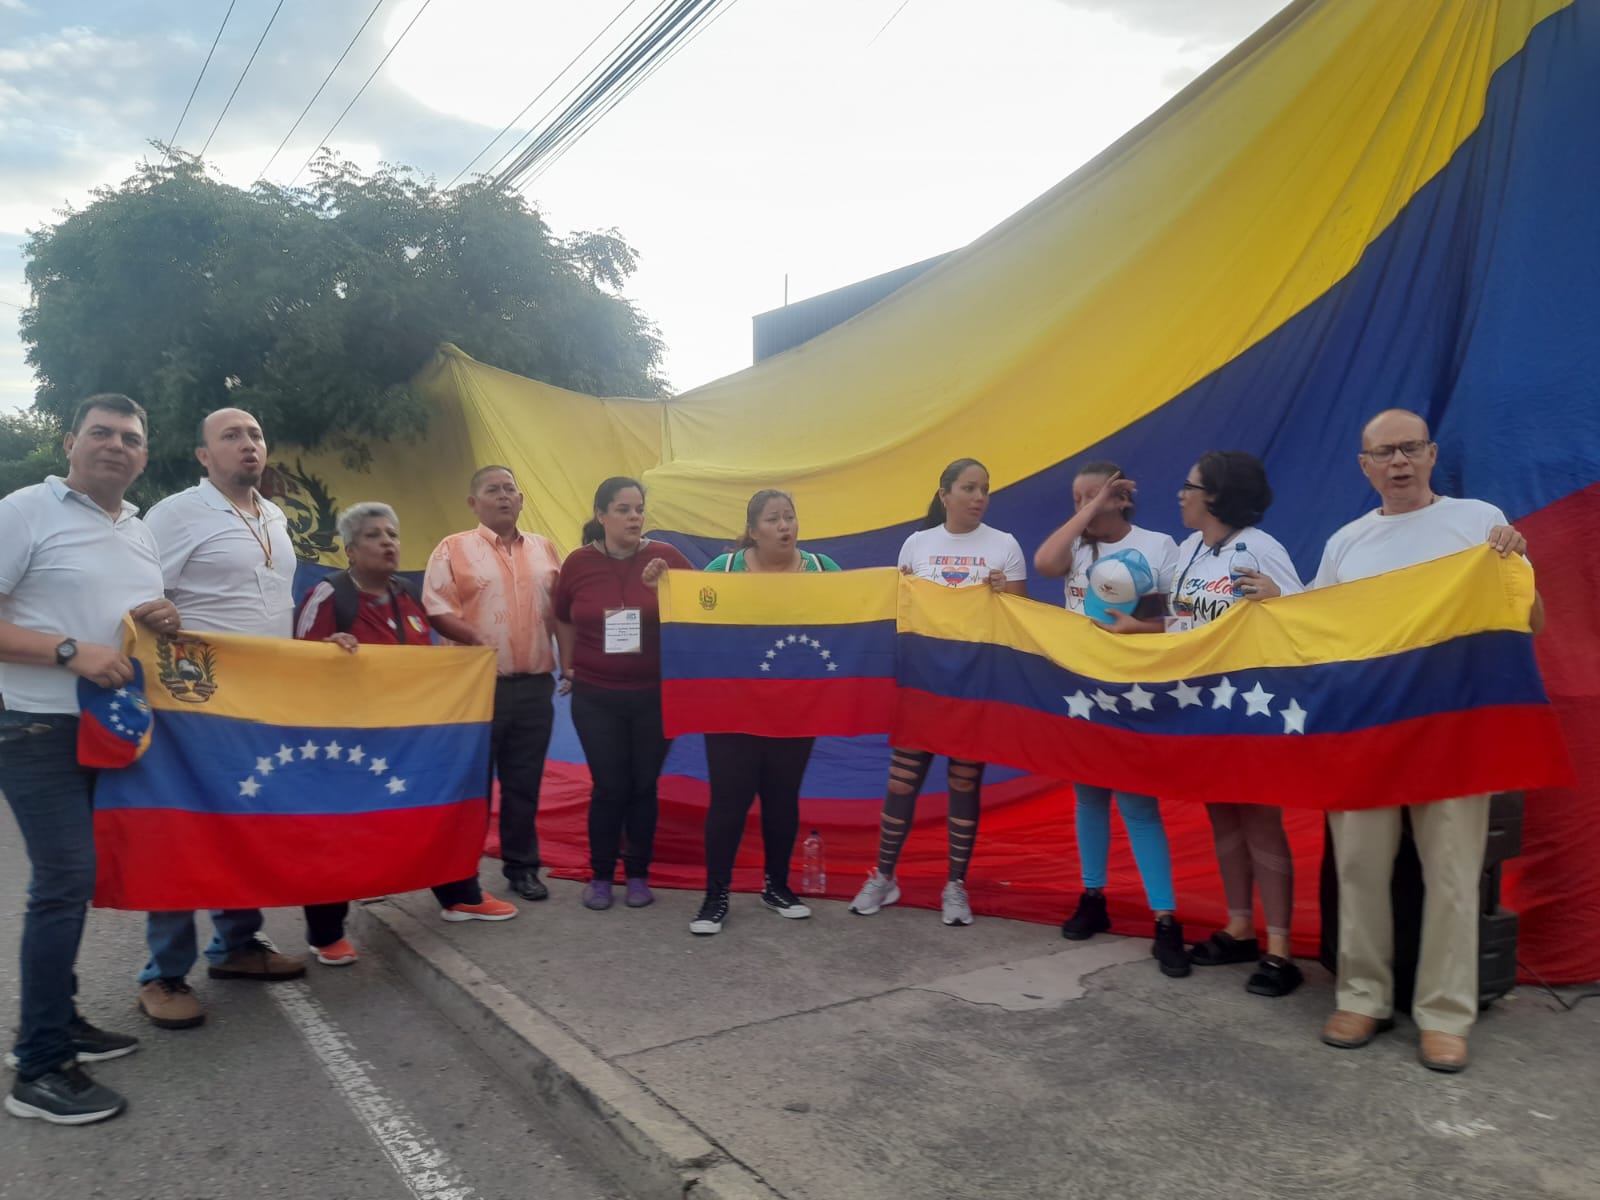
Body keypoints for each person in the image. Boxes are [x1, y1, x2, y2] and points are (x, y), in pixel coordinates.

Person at [1314, 409, 1540, 1073]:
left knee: (1451, 873)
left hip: (1454, 729)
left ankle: (1445, 1015)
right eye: (1383, 453)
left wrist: (1519, 566)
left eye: (1410, 448)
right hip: (1369, 729)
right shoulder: (1346, 543)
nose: (1398, 462)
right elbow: (1320, 636)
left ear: (1432, 453)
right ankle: (1362, 996)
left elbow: (1531, 621)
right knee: (1358, 866)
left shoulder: (1481, 523)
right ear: (1364, 465)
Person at [0, 394, 178, 1125]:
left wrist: (156, 618)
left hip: (107, 731)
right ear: (70, 443)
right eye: (100, 433)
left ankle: (60, 1022)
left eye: (130, 438)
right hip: (35, 727)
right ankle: (38, 1067)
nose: (115, 445)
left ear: (142, 455)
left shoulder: (138, 530)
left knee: (78, 878)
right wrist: (70, 652)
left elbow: (125, 623)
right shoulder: (24, 510)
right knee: (64, 881)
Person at [136, 408, 307, 1032]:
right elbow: (135, 592)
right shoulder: (176, 513)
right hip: (192, 702)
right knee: (184, 832)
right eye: (231, 436)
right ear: (204, 456)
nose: (248, 445)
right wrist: (153, 616)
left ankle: (236, 945)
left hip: (261, 702)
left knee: (244, 824)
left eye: (256, 434)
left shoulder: (274, 514)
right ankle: (162, 975)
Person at [295, 503, 518, 954]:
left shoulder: (407, 595)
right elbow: (295, 663)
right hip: (348, 742)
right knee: (339, 831)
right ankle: (327, 933)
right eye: (375, 536)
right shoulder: (328, 595)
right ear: (351, 550)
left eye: (393, 534)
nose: (388, 543)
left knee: (436, 811)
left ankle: (459, 895)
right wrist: (326, 648)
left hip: (410, 740)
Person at [849, 458, 1026, 927]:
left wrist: (1004, 591)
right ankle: (884, 877)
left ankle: (955, 886)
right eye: (968, 488)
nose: (978, 497)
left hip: (973, 684)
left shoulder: (1004, 546)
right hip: (922, 683)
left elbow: (1022, 619)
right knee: (902, 780)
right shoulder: (917, 543)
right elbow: (899, 610)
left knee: (964, 782)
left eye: (985, 489)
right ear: (944, 494)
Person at [1033, 460, 1192, 979]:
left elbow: (1174, 617)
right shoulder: (1077, 547)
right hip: (1082, 689)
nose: (1082, 507)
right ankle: (1093, 895)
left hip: (1132, 689)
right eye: (1076, 500)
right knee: (1088, 797)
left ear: (1122, 498)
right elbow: (1044, 563)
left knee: (1138, 805)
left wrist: (1138, 631)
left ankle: (1166, 919)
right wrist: (1089, 513)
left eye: (1094, 497)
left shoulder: (1157, 544)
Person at [1160, 451, 1304, 994]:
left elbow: (1309, 610)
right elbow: (1176, 618)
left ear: (1215, 496)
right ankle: (1240, 924)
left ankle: (1281, 949)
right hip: (1202, 705)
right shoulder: (1188, 549)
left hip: (1252, 704)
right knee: (1222, 815)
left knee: (1262, 819)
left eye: (1188, 485)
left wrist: (1280, 595)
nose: (1180, 494)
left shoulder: (1260, 548)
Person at [690, 489, 842, 936]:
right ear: (753, 531)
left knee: (781, 799)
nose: (785, 526)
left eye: (790, 517)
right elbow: (694, 615)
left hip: (795, 709)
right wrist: (662, 584)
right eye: (774, 519)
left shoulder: (822, 569)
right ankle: (715, 896)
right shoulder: (725, 569)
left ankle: (777, 886)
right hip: (731, 709)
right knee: (728, 803)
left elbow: (855, 615)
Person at [423, 466, 563, 902]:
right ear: (473, 502)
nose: (503, 497)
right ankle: (460, 878)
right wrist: (474, 637)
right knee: (472, 787)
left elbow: (563, 612)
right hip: (476, 688)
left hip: (535, 685)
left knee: (525, 784)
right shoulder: (452, 548)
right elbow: (435, 607)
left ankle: (522, 869)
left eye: (510, 490)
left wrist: (575, 664)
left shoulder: (545, 550)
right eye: (492, 490)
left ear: (521, 500)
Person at [553, 477, 692, 911]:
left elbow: (701, 609)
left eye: (639, 509)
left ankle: (637, 874)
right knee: (610, 786)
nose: (634, 517)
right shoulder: (577, 563)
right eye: (623, 509)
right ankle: (599, 875)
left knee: (643, 786)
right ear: (601, 515)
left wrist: (665, 590)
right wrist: (569, 666)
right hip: (596, 695)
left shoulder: (666, 558)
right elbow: (562, 617)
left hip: (654, 694)